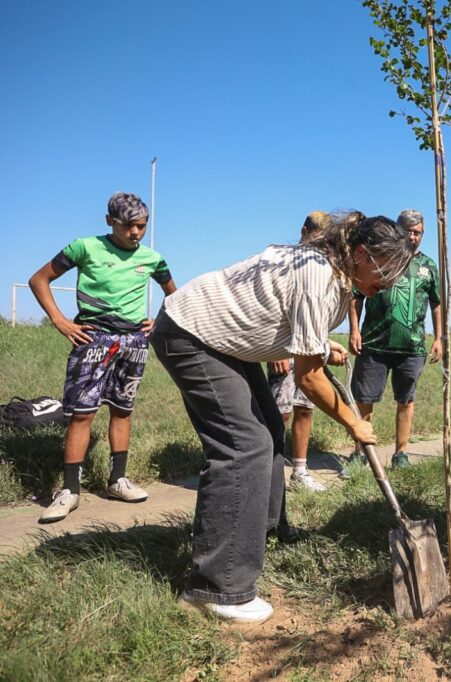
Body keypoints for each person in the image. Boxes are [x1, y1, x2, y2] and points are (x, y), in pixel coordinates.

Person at [150, 212, 413, 625]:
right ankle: (217, 588)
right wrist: (354, 424)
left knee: (271, 431)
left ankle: (258, 533)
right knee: (244, 445)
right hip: (192, 333)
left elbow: (286, 316)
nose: (385, 286)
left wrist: (324, 342)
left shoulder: (338, 276)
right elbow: (308, 379)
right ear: (360, 253)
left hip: (227, 342)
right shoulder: (319, 274)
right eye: (383, 273)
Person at [28, 192, 176, 523]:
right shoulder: (84, 247)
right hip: (93, 339)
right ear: (110, 221)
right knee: (83, 414)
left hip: (134, 342)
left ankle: (117, 480)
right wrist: (60, 320)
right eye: (128, 226)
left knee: (122, 411)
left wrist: (160, 319)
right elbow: (39, 280)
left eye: (141, 226)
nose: (135, 232)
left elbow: (175, 295)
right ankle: (70, 490)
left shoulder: (153, 258)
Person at [348, 209, 441, 469]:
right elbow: (356, 295)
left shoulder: (428, 266)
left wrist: (439, 337)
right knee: (364, 398)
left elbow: (436, 303)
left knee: (406, 400)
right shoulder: (382, 258)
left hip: (412, 346)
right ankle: (360, 453)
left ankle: (401, 454)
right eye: (408, 231)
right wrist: (354, 330)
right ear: (398, 231)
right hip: (374, 343)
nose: (413, 236)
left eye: (418, 232)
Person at [267, 211, 333, 492]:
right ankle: (270, 473)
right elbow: (268, 310)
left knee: (305, 408)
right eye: (315, 238)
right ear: (304, 231)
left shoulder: (322, 267)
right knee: (279, 412)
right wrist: (274, 353)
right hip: (282, 349)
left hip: (310, 350)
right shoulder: (284, 262)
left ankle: (300, 470)